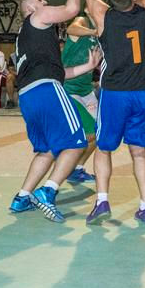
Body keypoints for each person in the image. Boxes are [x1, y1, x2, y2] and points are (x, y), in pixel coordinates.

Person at [73, 0, 145, 226]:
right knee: (139, 152)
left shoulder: (104, 16)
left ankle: (102, 201)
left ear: (109, 1)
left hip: (116, 93)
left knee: (104, 148)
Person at [9, 0, 99, 223]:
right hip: (47, 90)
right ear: (31, 8)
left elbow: (59, 72)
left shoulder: (27, 37)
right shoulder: (37, 16)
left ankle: (22, 196)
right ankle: (47, 191)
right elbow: (72, 9)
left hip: (28, 96)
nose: (45, 1)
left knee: (47, 150)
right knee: (77, 142)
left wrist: (88, 66)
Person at [61, 16, 99, 182]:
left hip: (87, 91)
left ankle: (76, 169)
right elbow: (71, 29)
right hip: (69, 90)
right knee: (90, 132)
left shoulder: (104, 31)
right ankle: (65, 168)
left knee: (100, 132)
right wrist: (94, 31)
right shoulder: (82, 22)